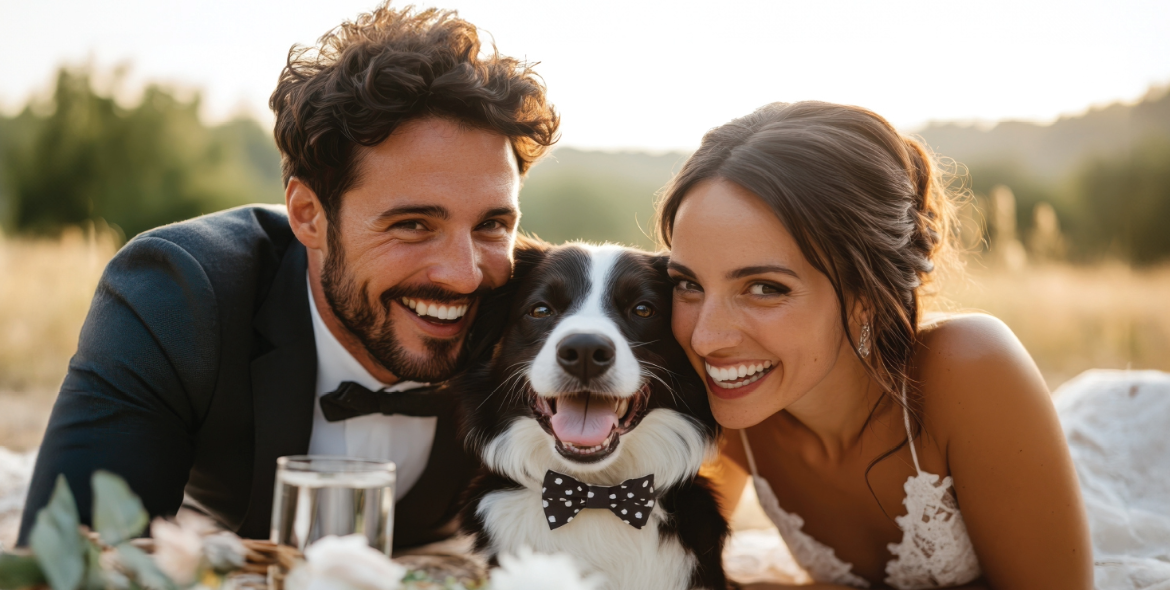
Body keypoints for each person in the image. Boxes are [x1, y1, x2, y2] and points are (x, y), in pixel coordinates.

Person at [18, 3, 558, 549]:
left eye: (492, 224)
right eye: (413, 224)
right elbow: (65, 558)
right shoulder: (178, 294)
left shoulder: (543, 327)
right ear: (308, 215)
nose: (464, 276)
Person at [656, 102, 1093, 589]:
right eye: (688, 285)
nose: (706, 337)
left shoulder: (971, 368)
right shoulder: (723, 399)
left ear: (866, 293)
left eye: (764, 288)